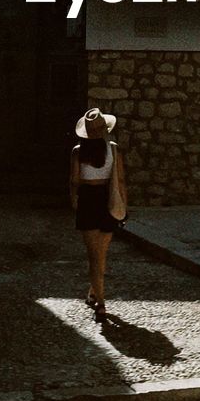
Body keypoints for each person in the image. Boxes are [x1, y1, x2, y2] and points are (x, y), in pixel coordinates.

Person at [69, 107, 128, 324]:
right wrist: (125, 206)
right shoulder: (113, 149)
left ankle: (101, 302)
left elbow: (75, 182)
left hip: (88, 200)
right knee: (101, 254)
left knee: (93, 255)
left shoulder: (77, 152)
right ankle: (95, 294)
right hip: (107, 199)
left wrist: (74, 201)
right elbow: (120, 181)